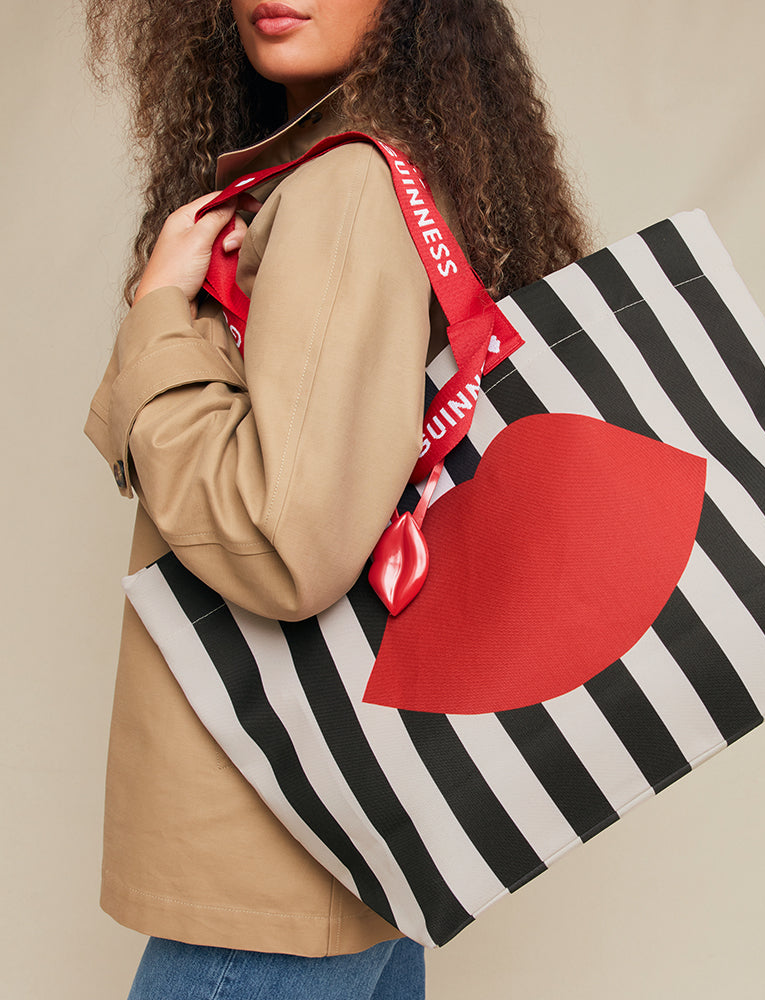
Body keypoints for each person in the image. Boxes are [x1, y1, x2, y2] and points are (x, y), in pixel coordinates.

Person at [84, 0, 588, 996]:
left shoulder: (345, 188)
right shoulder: (385, 169)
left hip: (270, 849)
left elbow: (284, 545)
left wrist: (157, 317)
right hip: (356, 830)